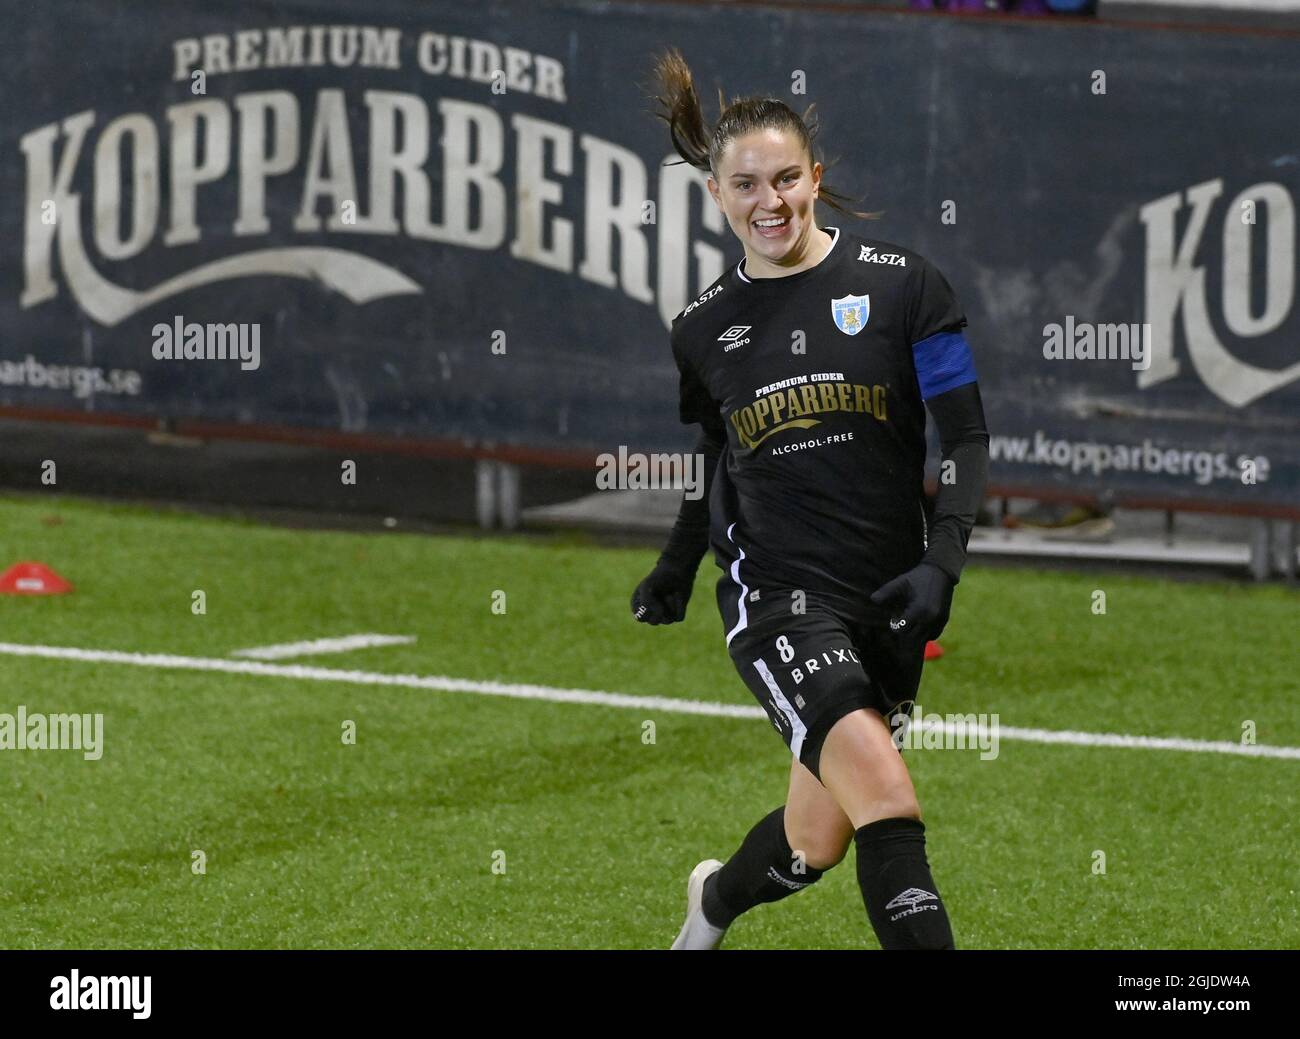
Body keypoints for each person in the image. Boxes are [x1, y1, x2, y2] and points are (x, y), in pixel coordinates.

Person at [631, 48, 990, 950]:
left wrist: (941, 563)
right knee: (892, 803)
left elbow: (969, 438)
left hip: (888, 599)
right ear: (717, 195)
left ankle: (709, 906)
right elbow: (717, 456)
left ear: (816, 178)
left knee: (812, 841)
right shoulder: (702, 327)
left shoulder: (906, 285)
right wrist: (678, 567)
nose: (771, 202)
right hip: (779, 600)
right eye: (746, 184)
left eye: (787, 177)